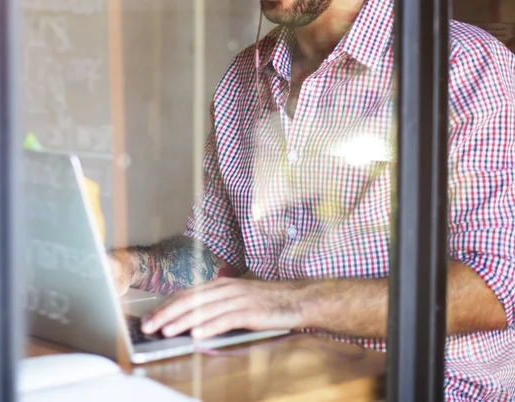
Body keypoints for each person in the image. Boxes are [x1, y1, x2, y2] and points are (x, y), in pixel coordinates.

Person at [108, 0, 515, 399]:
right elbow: (217, 253)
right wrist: (129, 266)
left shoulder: (464, 66)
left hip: (423, 387)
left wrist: (288, 301)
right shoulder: (244, 77)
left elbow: (494, 287)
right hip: (279, 373)